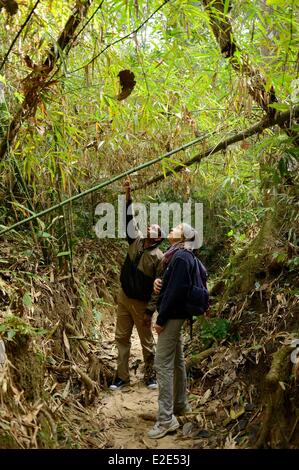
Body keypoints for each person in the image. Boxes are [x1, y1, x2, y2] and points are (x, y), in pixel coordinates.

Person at [148, 223, 208, 439]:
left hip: (172, 315)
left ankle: (165, 420)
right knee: (176, 360)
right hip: (178, 315)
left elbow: (176, 292)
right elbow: (171, 285)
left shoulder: (181, 257)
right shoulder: (180, 256)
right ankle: (181, 405)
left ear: (183, 237)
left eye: (176, 228)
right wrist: (158, 283)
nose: (171, 229)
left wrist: (161, 319)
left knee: (162, 362)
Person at [110, 179, 164, 391]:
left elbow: (158, 289)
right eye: (149, 226)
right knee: (121, 338)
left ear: (158, 237)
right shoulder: (135, 241)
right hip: (124, 298)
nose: (150, 228)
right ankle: (121, 377)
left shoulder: (159, 258)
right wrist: (128, 195)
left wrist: (150, 311)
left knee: (147, 342)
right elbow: (128, 219)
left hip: (142, 304)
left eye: (154, 228)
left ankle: (150, 375)